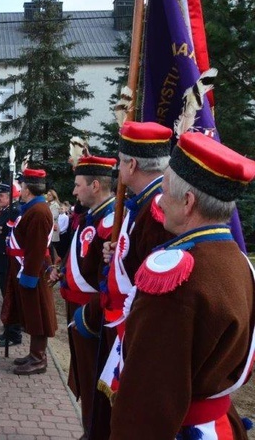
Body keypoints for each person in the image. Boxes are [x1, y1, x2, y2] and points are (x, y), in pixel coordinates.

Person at [110, 132, 255, 438]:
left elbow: (147, 395)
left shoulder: (174, 277)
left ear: (188, 202)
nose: (159, 200)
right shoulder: (240, 262)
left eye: (164, 191)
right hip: (218, 426)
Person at [98, 122, 175, 401]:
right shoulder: (143, 201)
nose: (118, 170)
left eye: (120, 163)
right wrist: (116, 253)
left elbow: (154, 274)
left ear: (131, 165)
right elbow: (136, 254)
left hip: (135, 325)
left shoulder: (156, 208)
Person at [49, 156, 116, 438]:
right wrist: (61, 270)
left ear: (96, 185)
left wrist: (87, 315)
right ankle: (88, 428)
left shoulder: (110, 220)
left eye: (78, 185)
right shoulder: (91, 216)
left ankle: (93, 431)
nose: (74, 192)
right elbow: (81, 257)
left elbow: (107, 276)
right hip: (78, 306)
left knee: (93, 379)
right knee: (84, 374)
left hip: (92, 314)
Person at [7, 168, 58, 375]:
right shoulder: (32, 209)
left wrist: (29, 277)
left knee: (38, 315)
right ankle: (34, 354)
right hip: (28, 268)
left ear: (27, 189)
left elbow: (36, 248)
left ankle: (39, 358)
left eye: (21, 186)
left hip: (33, 272)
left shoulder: (38, 212)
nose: (19, 190)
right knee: (31, 314)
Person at [0, 182, 22, 347]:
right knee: (6, 296)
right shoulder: (4, 212)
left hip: (6, 260)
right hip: (0, 260)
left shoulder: (13, 212)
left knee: (10, 297)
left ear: (10, 196)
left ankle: (13, 334)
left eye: (1, 195)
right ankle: (8, 330)